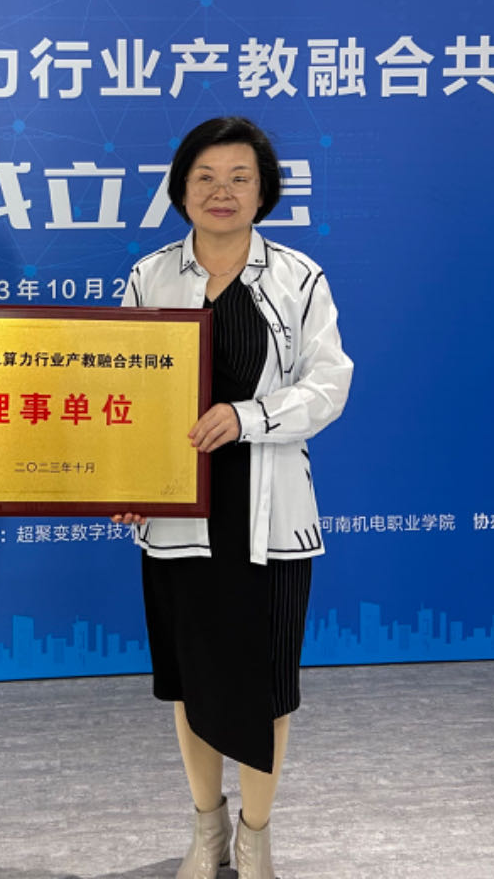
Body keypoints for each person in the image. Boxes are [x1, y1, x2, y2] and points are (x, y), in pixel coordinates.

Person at [115, 117, 353, 879]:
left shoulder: (298, 277)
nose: (222, 192)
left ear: (264, 190)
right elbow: (122, 393)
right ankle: (207, 831)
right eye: (206, 177)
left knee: (268, 685)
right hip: (176, 513)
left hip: (269, 516)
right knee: (190, 682)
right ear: (181, 189)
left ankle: (256, 837)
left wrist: (249, 418)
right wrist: (125, 479)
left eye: (240, 178)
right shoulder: (150, 277)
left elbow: (329, 385)